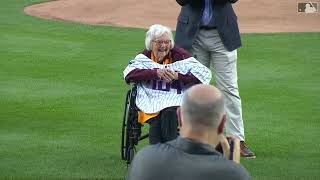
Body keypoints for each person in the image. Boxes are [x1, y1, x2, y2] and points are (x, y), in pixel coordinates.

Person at [174, 0, 255, 157]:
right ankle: (193, 140)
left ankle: (236, 140)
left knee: (229, 88)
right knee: (193, 89)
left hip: (222, 33)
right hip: (193, 33)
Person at [127, 84, 251, 180]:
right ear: (223, 123)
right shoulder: (233, 173)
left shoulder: (144, 158)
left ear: (180, 117)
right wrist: (233, 167)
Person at [123, 24, 211, 144]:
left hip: (175, 99)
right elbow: (129, 74)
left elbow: (203, 75)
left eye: (167, 42)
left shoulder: (181, 56)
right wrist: (155, 73)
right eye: (159, 42)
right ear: (150, 43)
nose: (163, 46)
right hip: (151, 99)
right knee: (157, 120)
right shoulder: (144, 57)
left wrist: (178, 76)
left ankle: (165, 153)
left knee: (169, 113)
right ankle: (162, 154)